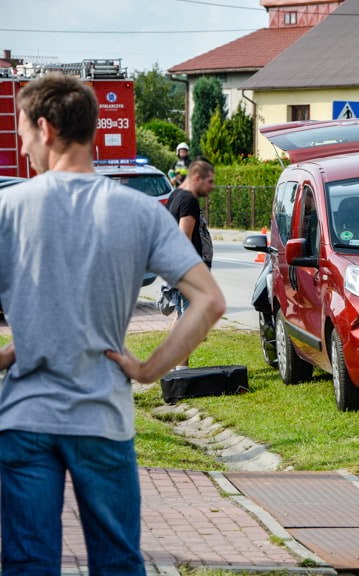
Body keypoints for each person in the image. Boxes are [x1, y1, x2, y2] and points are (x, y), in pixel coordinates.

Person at [0, 73, 225, 575]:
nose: (22, 145)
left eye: (23, 134)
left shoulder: (7, 208)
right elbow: (209, 301)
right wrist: (148, 370)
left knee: (27, 563)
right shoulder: (137, 212)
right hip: (102, 416)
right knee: (117, 563)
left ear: (46, 128)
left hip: (24, 419)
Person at [167, 158, 215, 368]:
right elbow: (183, 237)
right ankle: (181, 369)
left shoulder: (175, 195)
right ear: (197, 178)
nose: (211, 187)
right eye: (209, 182)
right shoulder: (188, 201)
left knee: (182, 315)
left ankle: (177, 366)